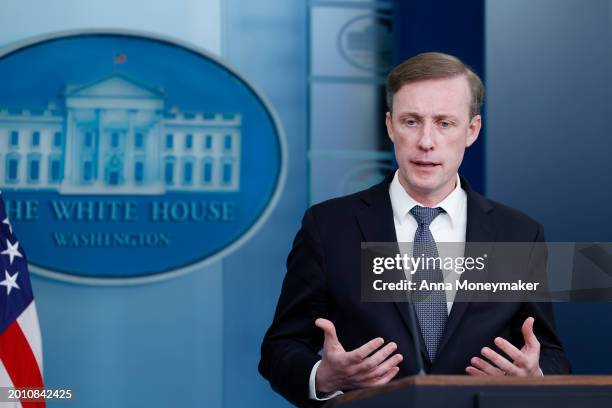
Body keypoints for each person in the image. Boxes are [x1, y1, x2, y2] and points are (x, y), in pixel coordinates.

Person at [258, 52, 570, 407]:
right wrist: (324, 377)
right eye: (411, 121)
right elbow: (279, 349)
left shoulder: (518, 234)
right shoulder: (329, 227)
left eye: (444, 123)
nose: (426, 141)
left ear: (472, 130)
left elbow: (552, 354)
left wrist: (535, 378)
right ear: (390, 126)